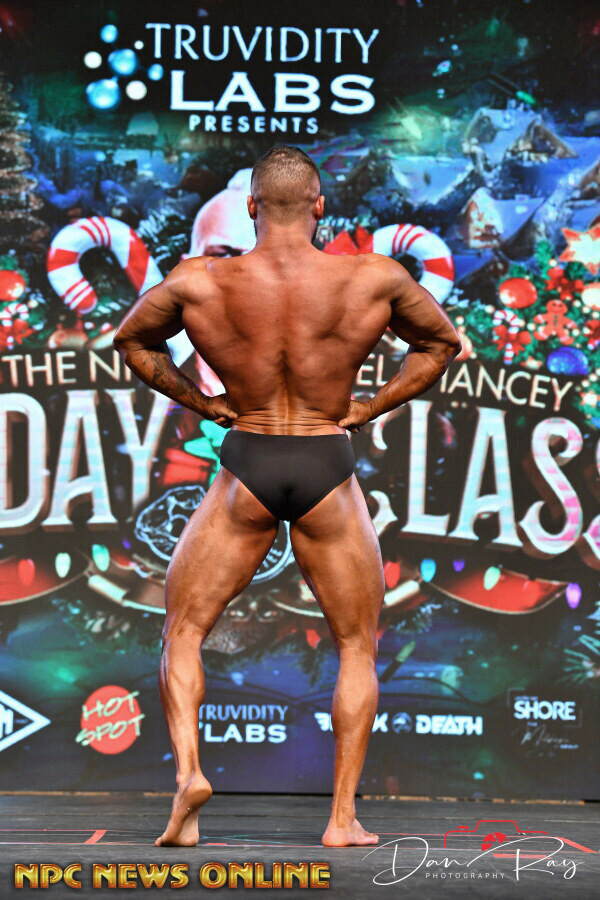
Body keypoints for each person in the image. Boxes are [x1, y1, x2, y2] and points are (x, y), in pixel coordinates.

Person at [113, 144, 461, 848]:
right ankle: (341, 820)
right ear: (319, 205)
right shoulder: (372, 276)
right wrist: (367, 408)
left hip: (249, 458)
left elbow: (133, 342)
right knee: (355, 645)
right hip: (326, 460)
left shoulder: (201, 281)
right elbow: (440, 345)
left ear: (250, 207)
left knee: (183, 630)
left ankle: (189, 776)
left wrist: (204, 403)